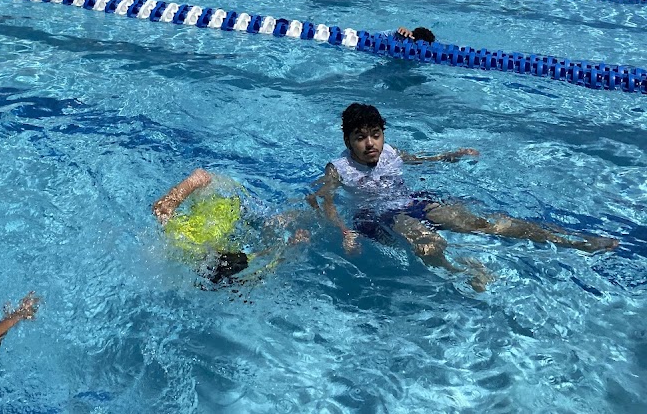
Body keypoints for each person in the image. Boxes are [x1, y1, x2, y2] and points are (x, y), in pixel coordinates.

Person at [311, 104, 617, 290]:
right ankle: (464, 272)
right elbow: (322, 199)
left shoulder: (390, 152)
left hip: (408, 202)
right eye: (360, 137)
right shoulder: (338, 168)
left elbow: (417, 159)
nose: (370, 144)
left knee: (481, 222)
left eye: (375, 134)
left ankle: (572, 240)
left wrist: (450, 156)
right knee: (429, 241)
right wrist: (343, 231)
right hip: (375, 217)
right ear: (347, 139)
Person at [151, 169, 307, 288]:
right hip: (235, 201)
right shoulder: (211, 255)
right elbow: (260, 263)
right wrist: (289, 246)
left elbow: (160, 209)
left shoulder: (184, 240)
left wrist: (192, 182)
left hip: (216, 193)